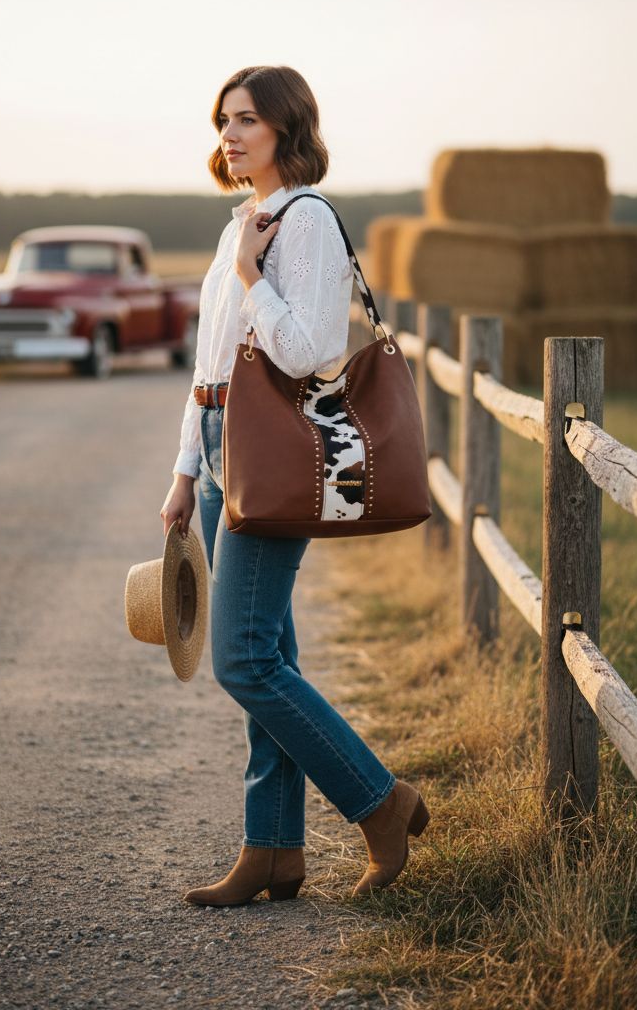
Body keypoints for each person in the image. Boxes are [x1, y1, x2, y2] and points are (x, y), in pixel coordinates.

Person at [160, 65, 429, 907]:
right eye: (223, 120)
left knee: (243, 660)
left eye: (247, 119)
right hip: (219, 447)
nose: (230, 134)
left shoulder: (304, 219)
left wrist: (253, 278)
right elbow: (210, 366)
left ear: (287, 127)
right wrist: (183, 471)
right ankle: (272, 850)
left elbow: (310, 352)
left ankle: (380, 801)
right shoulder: (240, 225)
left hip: (271, 451)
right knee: (269, 653)